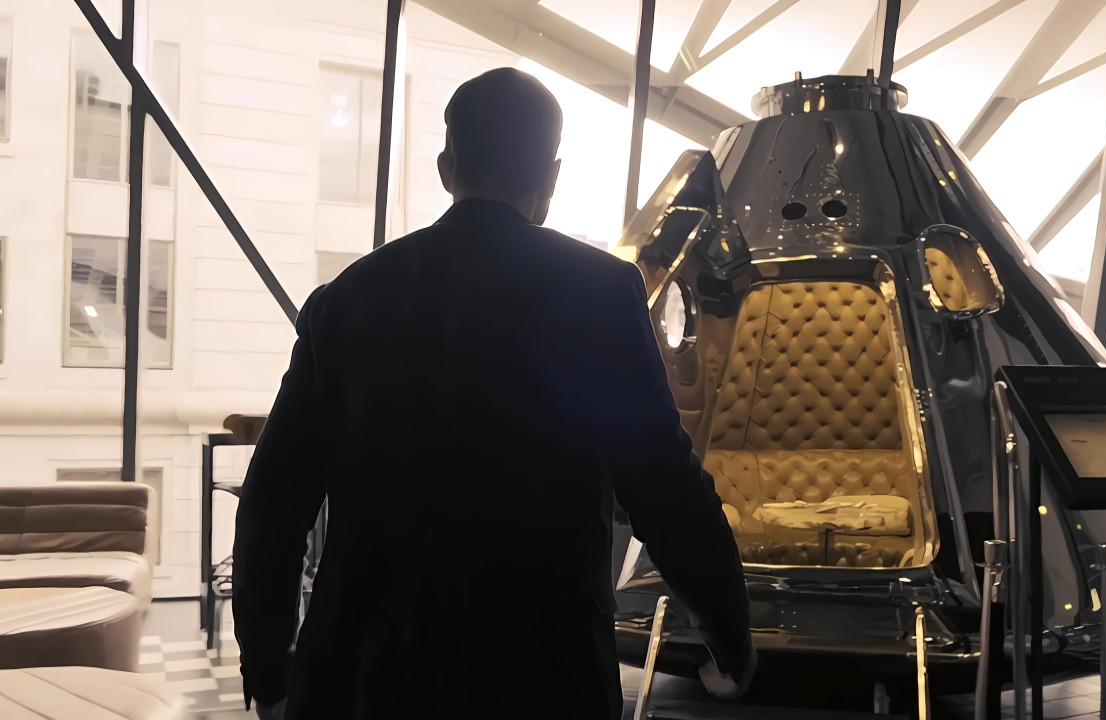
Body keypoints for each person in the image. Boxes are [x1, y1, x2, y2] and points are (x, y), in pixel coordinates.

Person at [232, 67, 756, 720]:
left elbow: (273, 505)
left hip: (365, 678)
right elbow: (664, 485)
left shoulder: (345, 300)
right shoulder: (598, 293)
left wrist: (268, 670)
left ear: (447, 168)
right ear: (551, 176)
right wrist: (728, 635)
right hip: (542, 676)